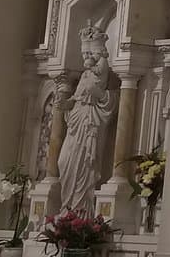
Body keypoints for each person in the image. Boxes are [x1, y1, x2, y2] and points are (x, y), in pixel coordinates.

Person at [59, 25, 116, 212]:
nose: (86, 57)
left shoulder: (100, 72)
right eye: (84, 54)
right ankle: (67, 207)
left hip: (90, 120)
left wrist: (97, 93)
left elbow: (104, 97)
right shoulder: (84, 74)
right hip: (76, 119)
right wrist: (64, 103)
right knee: (63, 160)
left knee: (86, 163)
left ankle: (81, 210)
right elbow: (75, 98)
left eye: (90, 53)